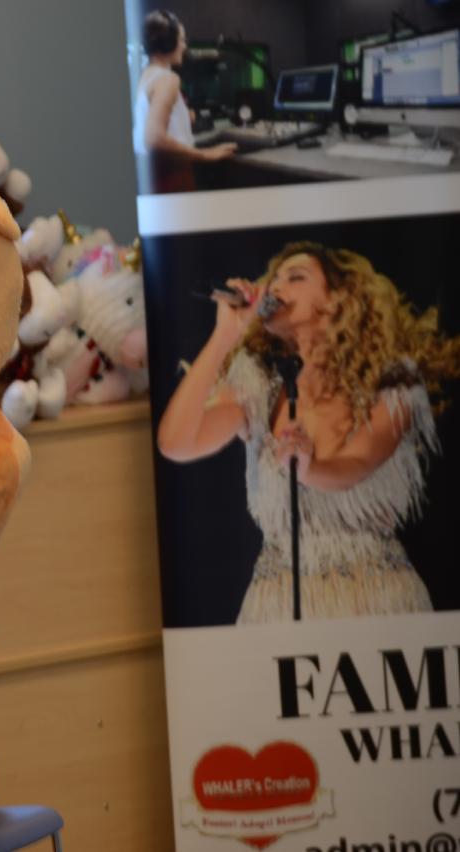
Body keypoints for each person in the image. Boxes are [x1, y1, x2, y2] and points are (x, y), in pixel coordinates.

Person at [157, 242, 459, 622]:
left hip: (375, 600)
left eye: (295, 277)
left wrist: (309, 469)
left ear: (337, 300)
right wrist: (224, 336)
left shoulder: (392, 381)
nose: (275, 286)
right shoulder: (258, 383)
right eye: (274, 279)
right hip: (279, 604)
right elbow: (175, 443)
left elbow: (358, 462)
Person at [133, 9, 236, 193]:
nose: (184, 46)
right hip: (172, 177)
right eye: (181, 40)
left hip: (152, 177)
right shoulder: (169, 79)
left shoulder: (146, 76)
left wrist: (182, 117)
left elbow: (147, 123)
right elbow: (154, 138)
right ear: (168, 42)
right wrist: (206, 154)